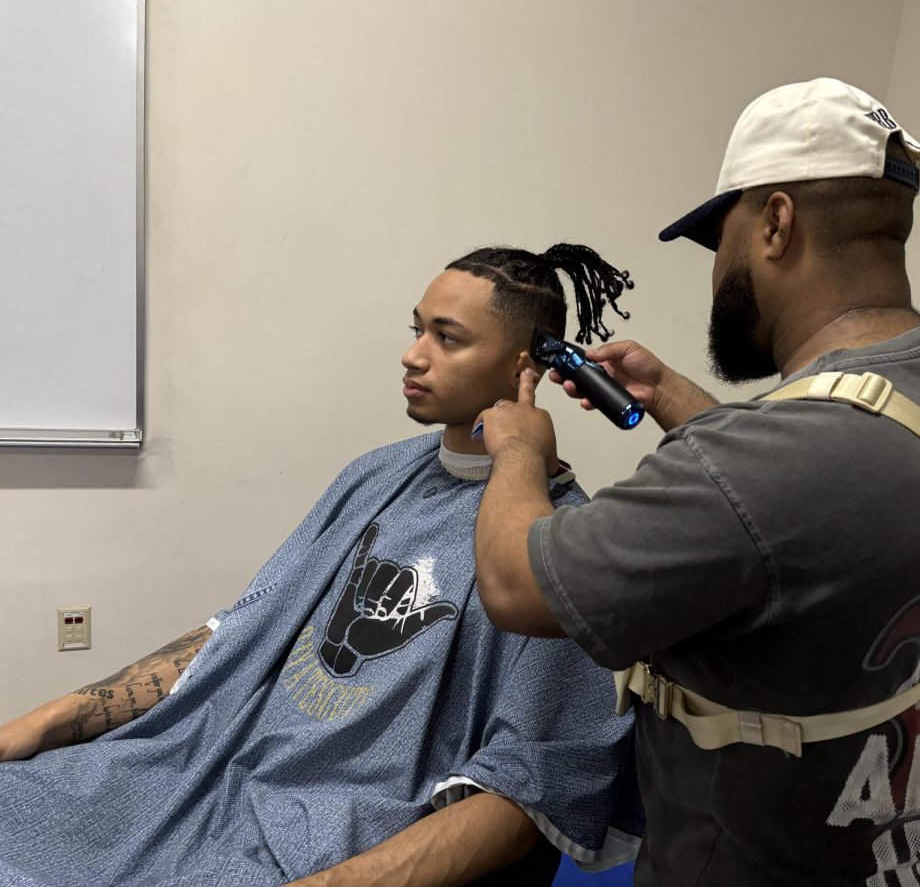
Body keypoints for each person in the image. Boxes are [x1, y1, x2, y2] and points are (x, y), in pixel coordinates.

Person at [471, 79, 920, 886]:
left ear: (775, 222)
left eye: (719, 240)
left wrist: (519, 449)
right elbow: (804, 517)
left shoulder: (761, 463)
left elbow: (516, 586)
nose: (717, 271)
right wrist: (669, 397)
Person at [0, 244, 643, 886]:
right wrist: (39, 723)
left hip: (334, 836)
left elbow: (530, 790)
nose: (413, 353)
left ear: (521, 368)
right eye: (418, 328)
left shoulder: (554, 547)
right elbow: (241, 632)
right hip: (209, 771)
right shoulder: (374, 476)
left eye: (448, 338)